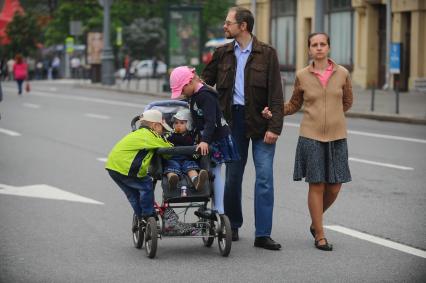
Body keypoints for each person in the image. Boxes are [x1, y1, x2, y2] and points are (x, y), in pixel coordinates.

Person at [201, 6, 284, 250]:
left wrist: (275, 127)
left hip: (260, 123)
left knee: (265, 178)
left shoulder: (267, 54)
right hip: (231, 123)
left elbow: (277, 95)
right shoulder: (222, 53)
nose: (224, 26)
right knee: (233, 178)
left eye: (228, 23)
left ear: (243, 26)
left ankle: (263, 234)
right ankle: (232, 225)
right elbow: (204, 87)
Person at [262, 32, 353, 251]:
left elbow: (347, 101)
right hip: (310, 136)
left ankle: (315, 221)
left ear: (328, 48)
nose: (319, 48)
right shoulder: (302, 75)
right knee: (317, 184)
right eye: (315, 45)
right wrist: (274, 112)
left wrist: (333, 118)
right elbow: (294, 104)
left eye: (323, 44)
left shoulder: (342, 73)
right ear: (309, 49)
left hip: (337, 136)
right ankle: (320, 234)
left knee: (335, 186)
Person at [169, 66, 240, 216]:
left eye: (182, 90)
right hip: (207, 138)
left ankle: (218, 209)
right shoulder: (195, 95)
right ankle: (211, 206)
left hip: (216, 138)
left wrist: (205, 141)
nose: (182, 94)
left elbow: (210, 121)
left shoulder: (205, 96)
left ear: (189, 83)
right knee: (209, 171)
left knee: (214, 171)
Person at [105, 109, 173, 228]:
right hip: (125, 167)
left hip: (113, 167)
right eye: (162, 129)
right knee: (146, 185)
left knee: (133, 195)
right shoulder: (149, 136)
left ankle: (141, 219)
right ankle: (148, 215)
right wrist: (166, 140)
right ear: (155, 125)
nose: (163, 132)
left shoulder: (139, 133)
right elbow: (169, 152)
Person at [164, 108, 208, 191]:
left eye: (182, 123)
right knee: (171, 168)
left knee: (191, 168)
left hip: (187, 159)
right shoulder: (171, 135)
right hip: (173, 158)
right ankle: (173, 180)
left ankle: (197, 181)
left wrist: (197, 153)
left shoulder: (191, 137)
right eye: (176, 123)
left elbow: (192, 145)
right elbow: (166, 140)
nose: (178, 125)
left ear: (189, 125)